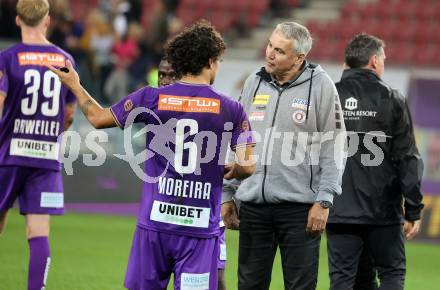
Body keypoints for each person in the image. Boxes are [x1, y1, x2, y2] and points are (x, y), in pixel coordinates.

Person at [50, 20, 256, 290]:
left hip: (155, 225)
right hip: (198, 231)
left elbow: (98, 118)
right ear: (209, 61)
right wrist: (235, 170)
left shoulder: (151, 98)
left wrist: (75, 84)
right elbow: (248, 166)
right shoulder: (231, 109)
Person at [221, 21, 346, 290]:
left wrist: (324, 200)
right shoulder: (254, 82)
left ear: (299, 57)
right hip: (253, 207)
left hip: (300, 209)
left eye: (279, 50)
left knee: (300, 286)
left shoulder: (321, 86)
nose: (269, 53)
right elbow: (237, 141)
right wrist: (228, 193)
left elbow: (334, 146)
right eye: (269, 45)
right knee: (249, 285)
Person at [326, 33, 424, 290]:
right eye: (383, 59)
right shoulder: (392, 99)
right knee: (391, 273)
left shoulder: (328, 96)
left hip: (338, 210)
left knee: (343, 280)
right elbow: (408, 159)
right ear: (373, 61)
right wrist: (413, 209)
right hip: (382, 213)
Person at [0, 1, 77, 289]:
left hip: (8, 154)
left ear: (18, 20)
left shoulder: (7, 59)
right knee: (38, 233)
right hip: (45, 158)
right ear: (47, 20)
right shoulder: (65, 60)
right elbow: (69, 114)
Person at [157, 56, 228, 290]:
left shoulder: (210, 107)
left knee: (216, 279)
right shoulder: (157, 106)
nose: (166, 80)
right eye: (162, 75)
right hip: (169, 211)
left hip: (205, 213)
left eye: (171, 75)